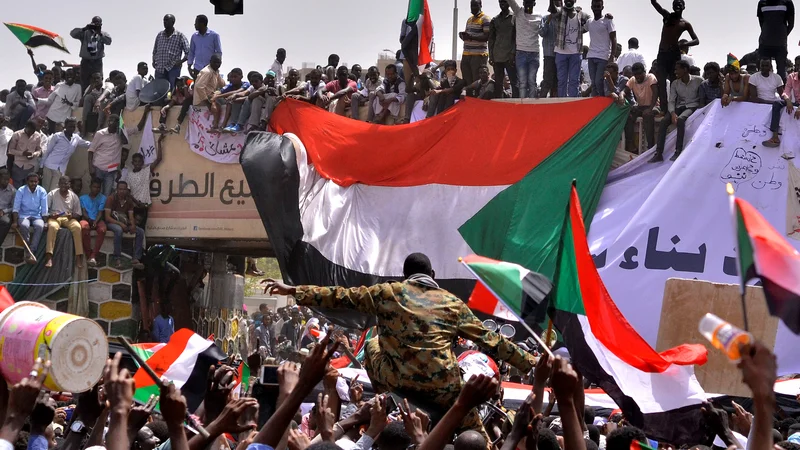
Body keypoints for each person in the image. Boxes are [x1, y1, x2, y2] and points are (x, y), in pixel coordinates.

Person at [263, 252, 537, 441]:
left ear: (404, 275)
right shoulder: (452, 303)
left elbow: (340, 296)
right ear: (432, 274)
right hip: (444, 389)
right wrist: (530, 363)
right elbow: (490, 339)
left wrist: (293, 290)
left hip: (400, 384)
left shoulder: (387, 293)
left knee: (371, 345)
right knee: (478, 439)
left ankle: (387, 399)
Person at [650, 0, 699, 117]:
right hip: (662, 54)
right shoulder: (667, 17)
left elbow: (696, 40)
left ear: (684, 7)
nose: (677, 6)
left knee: (674, 82)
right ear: (672, 6)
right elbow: (656, 5)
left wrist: (684, 44)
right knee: (661, 81)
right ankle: (663, 109)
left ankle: (674, 108)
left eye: (680, 5)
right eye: (675, 4)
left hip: (674, 55)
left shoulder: (685, 23)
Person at [651, 60, 702, 162]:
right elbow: (672, 101)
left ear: (685, 69)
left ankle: (678, 151)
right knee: (664, 121)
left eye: (677, 69)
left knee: (681, 120)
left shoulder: (699, 80)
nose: (675, 72)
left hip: (692, 106)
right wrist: (673, 113)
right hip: (680, 106)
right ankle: (659, 153)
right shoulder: (675, 83)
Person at [548, 0, 591, 98]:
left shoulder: (581, 14)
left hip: (576, 52)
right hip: (561, 52)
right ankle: (562, 103)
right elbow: (553, 10)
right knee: (562, 80)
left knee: (574, 80)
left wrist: (605, 18)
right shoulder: (560, 11)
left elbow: (592, 22)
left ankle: (573, 103)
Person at [41, 118, 90, 191]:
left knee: (53, 191)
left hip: (60, 170)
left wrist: (99, 143)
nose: (72, 128)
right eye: (70, 126)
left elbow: (87, 144)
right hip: (49, 166)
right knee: (45, 190)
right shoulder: (57, 136)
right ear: (65, 126)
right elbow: (48, 151)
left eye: (74, 127)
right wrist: (41, 166)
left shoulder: (76, 138)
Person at [45, 176, 83, 269]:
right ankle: (49, 257)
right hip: (55, 218)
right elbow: (45, 210)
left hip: (68, 218)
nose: (63, 185)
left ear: (69, 185)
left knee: (77, 227)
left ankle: (78, 257)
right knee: (52, 227)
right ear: (58, 184)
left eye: (66, 183)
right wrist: (51, 215)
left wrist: (72, 216)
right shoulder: (52, 194)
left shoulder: (74, 196)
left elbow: (78, 214)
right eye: (61, 183)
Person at [104, 181, 144, 270]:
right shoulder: (111, 199)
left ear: (127, 190)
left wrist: (133, 225)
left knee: (140, 231)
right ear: (117, 190)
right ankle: (117, 258)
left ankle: (136, 258)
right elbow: (107, 217)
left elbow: (130, 215)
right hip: (112, 222)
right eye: (120, 189)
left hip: (124, 222)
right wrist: (120, 224)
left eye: (124, 189)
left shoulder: (129, 201)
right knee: (118, 230)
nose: (122, 191)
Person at [751, 59, 789, 147]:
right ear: (759, 67)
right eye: (762, 66)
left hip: (774, 105)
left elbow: (782, 94)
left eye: (766, 65)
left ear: (770, 67)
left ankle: (776, 138)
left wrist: (787, 100)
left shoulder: (777, 77)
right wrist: (770, 102)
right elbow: (753, 98)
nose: (764, 68)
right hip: (759, 106)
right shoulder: (753, 77)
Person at [12, 172, 48, 264]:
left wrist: (45, 222)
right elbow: (16, 207)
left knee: (40, 226)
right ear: (27, 181)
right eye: (31, 181)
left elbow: (44, 209)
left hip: (37, 216)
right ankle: (28, 251)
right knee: (24, 225)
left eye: (35, 181)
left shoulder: (42, 191)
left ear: (38, 181)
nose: (33, 184)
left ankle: (31, 251)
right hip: (24, 215)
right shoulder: (21, 190)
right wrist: (15, 221)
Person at [622, 63, 658, 152]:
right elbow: (625, 90)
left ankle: (651, 146)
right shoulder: (633, 80)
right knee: (628, 116)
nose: (638, 77)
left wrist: (650, 109)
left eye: (640, 74)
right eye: (636, 74)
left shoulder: (650, 77)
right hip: (641, 106)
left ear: (644, 72)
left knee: (647, 115)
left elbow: (655, 94)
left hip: (653, 106)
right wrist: (621, 95)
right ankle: (630, 144)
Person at [70, 16, 112, 93]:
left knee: (98, 81)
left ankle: (97, 98)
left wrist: (100, 34)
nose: (95, 26)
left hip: (97, 62)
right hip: (86, 61)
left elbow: (109, 41)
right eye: (94, 23)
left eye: (98, 24)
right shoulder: (85, 33)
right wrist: (84, 28)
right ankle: (84, 98)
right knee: (84, 81)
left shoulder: (103, 34)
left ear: (101, 25)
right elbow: (72, 34)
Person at [88, 114, 126, 197]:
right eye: (109, 121)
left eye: (113, 121)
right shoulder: (100, 134)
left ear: (118, 124)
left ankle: (103, 210)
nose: (110, 123)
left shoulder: (120, 135)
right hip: (98, 168)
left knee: (106, 195)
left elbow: (137, 129)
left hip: (111, 171)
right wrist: (90, 167)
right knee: (96, 193)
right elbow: (91, 151)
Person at [585, 0, 617, 97]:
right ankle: (595, 102)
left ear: (602, 7)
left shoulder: (608, 20)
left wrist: (612, 55)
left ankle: (602, 99)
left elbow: (614, 38)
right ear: (591, 7)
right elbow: (581, 30)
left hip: (603, 56)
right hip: (591, 56)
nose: (596, 8)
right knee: (593, 83)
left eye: (598, 6)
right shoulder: (589, 22)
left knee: (599, 81)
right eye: (594, 6)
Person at [758, 0, 794, 82]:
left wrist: (782, 36)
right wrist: (767, 34)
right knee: (764, 72)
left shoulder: (787, 2)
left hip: (780, 45)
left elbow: (791, 24)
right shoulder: (761, 3)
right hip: (765, 44)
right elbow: (762, 23)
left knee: (781, 72)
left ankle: (782, 94)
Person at [489, 0, 519, 99]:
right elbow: (491, 39)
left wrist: (513, 53)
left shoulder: (515, 17)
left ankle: (515, 105)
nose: (502, 3)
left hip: (509, 56)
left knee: (514, 82)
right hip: (497, 56)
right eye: (500, 2)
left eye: (504, 1)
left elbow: (516, 37)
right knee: (498, 83)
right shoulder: (494, 20)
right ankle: (499, 106)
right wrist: (491, 55)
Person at [152, 14, 189, 91]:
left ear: (173, 22)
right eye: (164, 20)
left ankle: (170, 102)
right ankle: (161, 103)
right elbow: (155, 50)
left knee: (172, 89)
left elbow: (188, 52)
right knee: (160, 90)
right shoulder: (160, 35)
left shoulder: (180, 36)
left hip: (173, 68)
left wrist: (181, 61)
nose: (165, 22)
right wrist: (153, 61)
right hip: (160, 68)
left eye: (167, 20)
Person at [460, 0, 492, 86]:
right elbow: (469, 35)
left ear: (480, 5)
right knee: (467, 81)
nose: (473, 8)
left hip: (478, 55)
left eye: (475, 5)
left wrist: (470, 37)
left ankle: (476, 99)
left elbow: (487, 37)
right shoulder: (469, 19)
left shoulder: (485, 19)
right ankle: (469, 98)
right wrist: (463, 36)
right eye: (471, 6)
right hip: (466, 54)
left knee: (477, 81)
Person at [121, 153, 157, 227]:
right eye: (135, 161)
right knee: (132, 227)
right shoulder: (129, 175)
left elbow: (159, 159)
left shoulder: (146, 172)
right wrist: (136, 202)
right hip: (134, 206)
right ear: (132, 163)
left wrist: (159, 143)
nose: (137, 163)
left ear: (142, 162)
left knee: (141, 229)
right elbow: (128, 192)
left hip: (144, 206)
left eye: (139, 161)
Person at [7, 119, 45, 187]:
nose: (31, 134)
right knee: (16, 187)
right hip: (18, 165)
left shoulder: (37, 136)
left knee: (28, 187)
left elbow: (39, 150)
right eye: (29, 131)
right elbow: (11, 150)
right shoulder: (17, 134)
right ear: (26, 127)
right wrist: (22, 153)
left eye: (33, 132)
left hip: (30, 166)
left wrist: (34, 154)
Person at [43, 69, 82, 134]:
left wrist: (69, 103)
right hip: (52, 114)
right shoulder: (59, 85)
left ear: (74, 76)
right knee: (50, 137)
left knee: (61, 137)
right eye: (67, 75)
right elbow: (51, 98)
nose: (69, 76)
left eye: (71, 75)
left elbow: (78, 102)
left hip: (64, 117)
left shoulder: (77, 87)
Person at [193, 54, 225, 130]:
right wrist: (207, 102)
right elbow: (199, 87)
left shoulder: (215, 71)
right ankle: (215, 125)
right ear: (210, 62)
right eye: (215, 62)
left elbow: (222, 84)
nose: (217, 64)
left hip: (211, 96)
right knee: (217, 102)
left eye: (219, 63)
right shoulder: (207, 72)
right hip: (203, 100)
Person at [80, 178, 107, 267]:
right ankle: (89, 255)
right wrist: (90, 221)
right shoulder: (83, 198)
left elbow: (100, 212)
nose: (96, 189)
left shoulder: (103, 198)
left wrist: (95, 221)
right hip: (86, 219)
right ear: (90, 187)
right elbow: (83, 212)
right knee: (84, 228)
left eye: (98, 187)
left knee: (102, 230)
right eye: (94, 187)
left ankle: (93, 255)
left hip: (97, 219)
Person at [539, 0, 562, 98]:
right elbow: (542, 33)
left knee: (559, 80)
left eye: (558, 3)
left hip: (561, 54)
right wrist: (549, 20)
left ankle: (557, 102)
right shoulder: (544, 18)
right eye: (554, 3)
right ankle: (541, 102)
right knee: (547, 80)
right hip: (549, 55)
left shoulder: (564, 19)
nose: (556, 6)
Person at [0, 169, 15, 248]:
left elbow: (14, 207)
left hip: (4, 212)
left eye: (7, 179)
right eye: (4, 179)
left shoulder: (12, 190)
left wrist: (4, 211)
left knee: (6, 222)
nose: (6, 181)